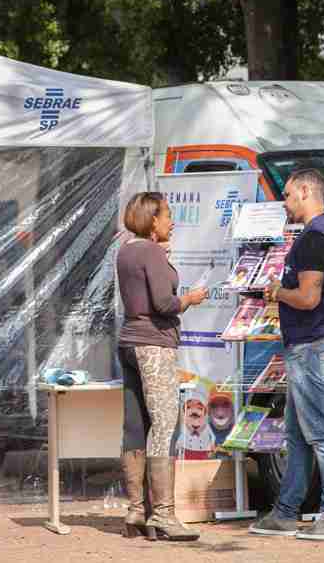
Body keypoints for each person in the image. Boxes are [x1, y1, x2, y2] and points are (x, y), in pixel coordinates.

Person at [249, 169, 324, 541]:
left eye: (287, 194)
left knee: (322, 432)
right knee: (298, 435)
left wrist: (277, 292)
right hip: (311, 344)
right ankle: (284, 513)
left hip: (313, 345)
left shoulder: (314, 238)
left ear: (305, 191)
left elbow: (309, 298)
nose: (284, 201)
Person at [116, 192, 208, 541]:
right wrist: (190, 299)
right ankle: (164, 515)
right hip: (153, 345)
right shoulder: (151, 251)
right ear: (152, 220)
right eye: (167, 215)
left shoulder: (126, 251)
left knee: (135, 425)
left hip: (128, 342)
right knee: (165, 424)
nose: (172, 221)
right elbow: (164, 303)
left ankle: (136, 510)